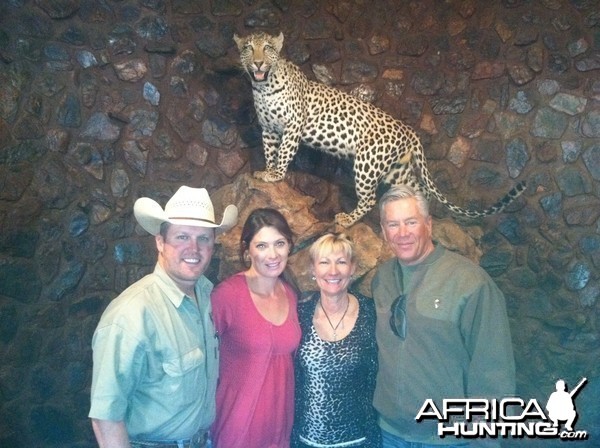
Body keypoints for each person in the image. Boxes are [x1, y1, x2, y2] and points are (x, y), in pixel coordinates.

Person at [89, 186, 238, 448]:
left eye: (203, 238)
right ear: (160, 242)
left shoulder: (207, 295)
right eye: (182, 236)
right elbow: (106, 417)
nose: (193, 248)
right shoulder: (131, 315)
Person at [371, 185, 515, 448]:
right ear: (383, 231)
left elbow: (494, 374)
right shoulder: (381, 278)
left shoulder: (470, 282)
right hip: (390, 434)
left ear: (428, 225)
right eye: (393, 224)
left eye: (411, 222)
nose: (402, 233)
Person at [210, 208, 302, 448]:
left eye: (279, 243)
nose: (272, 254)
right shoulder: (227, 295)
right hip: (237, 428)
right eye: (261, 246)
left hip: (279, 429)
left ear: (289, 246)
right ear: (247, 250)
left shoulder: (291, 294)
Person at [292, 233, 381, 448]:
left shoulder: (372, 313)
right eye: (324, 262)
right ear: (313, 270)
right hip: (305, 440)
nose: (333, 271)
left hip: (360, 440)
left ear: (353, 268)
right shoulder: (299, 313)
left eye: (341, 262)